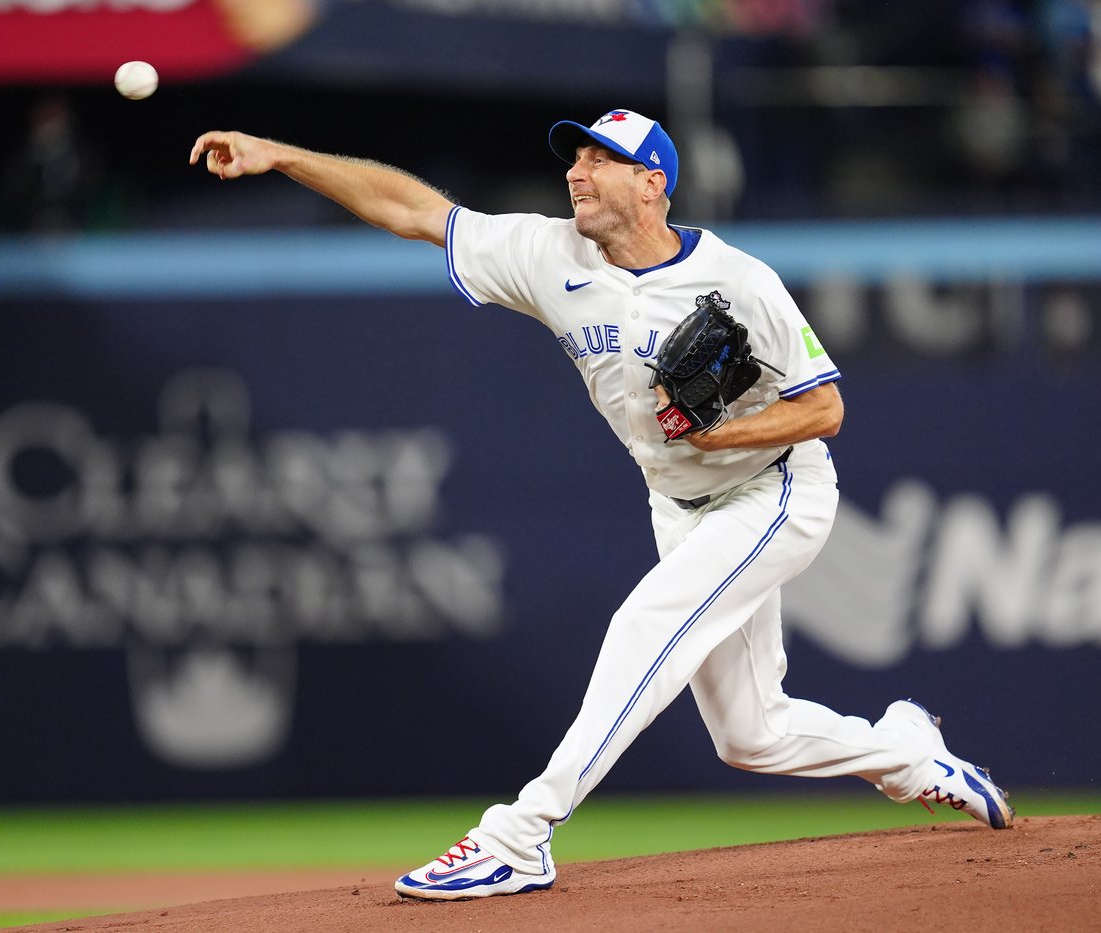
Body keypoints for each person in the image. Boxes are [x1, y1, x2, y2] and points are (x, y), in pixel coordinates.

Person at [189, 108, 1015, 902]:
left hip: (775, 489)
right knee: (752, 735)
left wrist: (721, 435)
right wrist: (282, 155)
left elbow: (826, 408)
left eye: (598, 160)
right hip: (679, 504)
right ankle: (907, 755)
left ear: (652, 182)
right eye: (574, 157)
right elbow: (415, 211)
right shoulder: (548, 254)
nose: (576, 171)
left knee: (646, 623)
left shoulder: (737, 280)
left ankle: (520, 834)